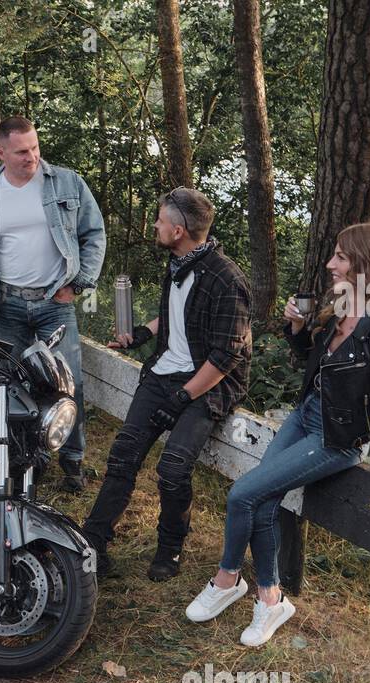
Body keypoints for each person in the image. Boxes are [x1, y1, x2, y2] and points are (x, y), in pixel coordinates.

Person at [185, 222, 370, 647]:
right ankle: (270, 598)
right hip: (305, 416)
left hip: (336, 439)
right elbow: (315, 364)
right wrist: (298, 331)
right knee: (261, 499)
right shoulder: (340, 307)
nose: (330, 263)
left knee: (243, 493)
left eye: (340, 256)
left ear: (367, 263)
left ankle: (227, 579)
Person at [81, 187, 252, 582]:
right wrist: (143, 332)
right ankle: (93, 543)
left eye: (159, 220)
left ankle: (169, 550)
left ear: (178, 230)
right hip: (163, 374)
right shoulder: (178, 264)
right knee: (122, 456)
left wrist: (183, 397)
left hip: (207, 383)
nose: (155, 224)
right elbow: (182, 317)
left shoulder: (228, 280)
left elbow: (226, 357)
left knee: (173, 469)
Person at [0, 115, 106, 493]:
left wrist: (78, 284)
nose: (32, 156)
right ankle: (28, 461)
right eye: (22, 151)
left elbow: (95, 234)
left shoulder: (68, 183)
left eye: (35, 147)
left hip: (54, 302)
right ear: (1, 152)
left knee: (68, 383)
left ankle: (73, 462)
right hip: (6, 305)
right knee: (14, 386)